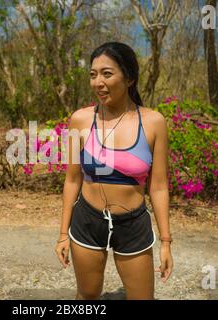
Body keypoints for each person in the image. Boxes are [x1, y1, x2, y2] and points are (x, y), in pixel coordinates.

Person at [55, 42, 173, 300]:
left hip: (133, 224)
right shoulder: (80, 119)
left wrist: (166, 242)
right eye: (93, 74)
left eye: (107, 74)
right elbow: (73, 180)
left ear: (129, 77)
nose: (98, 82)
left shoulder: (153, 122)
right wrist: (63, 234)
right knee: (87, 296)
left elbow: (159, 186)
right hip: (87, 221)